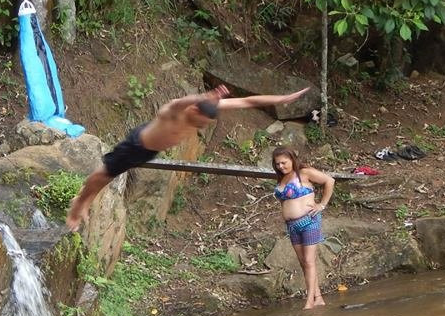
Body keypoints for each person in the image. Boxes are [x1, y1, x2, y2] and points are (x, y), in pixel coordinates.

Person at [65, 85, 310, 229]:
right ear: (193, 109)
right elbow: (178, 101)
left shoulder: (208, 110)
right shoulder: (173, 112)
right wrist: (203, 97)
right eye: (199, 121)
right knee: (104, 174)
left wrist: (281, 99)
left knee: (110, 175)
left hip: (150, 151)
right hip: (137, 145)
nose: (199, 126)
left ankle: (85, 201)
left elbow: (247, 101)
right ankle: (78, 206)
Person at [271, 146, 335, 309]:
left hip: (309, 221)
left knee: (309, 261)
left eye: (284, 163)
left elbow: (329, 181)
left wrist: (322, 205)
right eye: (277, 164)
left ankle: (309, 301)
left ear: (292, 159)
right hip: (292, 226)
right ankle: (318, 297)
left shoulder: (304, 173)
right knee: (303, 263)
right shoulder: (281, 179)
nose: (281, 166)